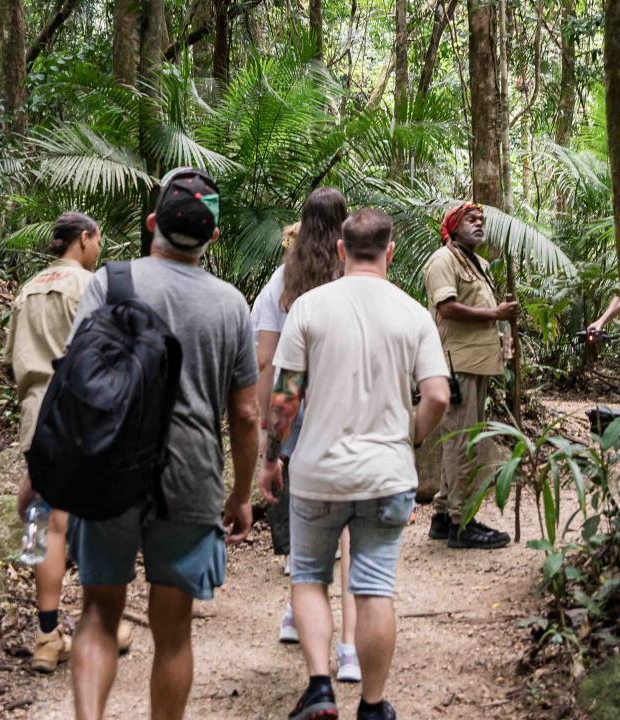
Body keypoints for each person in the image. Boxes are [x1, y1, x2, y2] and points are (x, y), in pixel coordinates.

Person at [65, 168, 260, 720]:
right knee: (173, 635)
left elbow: (75, 380)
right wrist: (241, 494)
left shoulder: (110, 281)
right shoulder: (230, 305)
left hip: (108, 473)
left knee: (100, 616)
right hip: (191, 478)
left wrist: (51, 466)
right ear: (212, 238)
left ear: (153, 223)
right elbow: (245, 414)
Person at [260, 208, 452, 720]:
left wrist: (271, 458)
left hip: (318, 472)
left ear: (342, 251)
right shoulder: (412, 313)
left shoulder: (308, 307)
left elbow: (284, 399)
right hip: (386, 475)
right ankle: (371, 704)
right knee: (372, 588)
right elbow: (436, 394)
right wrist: (407, 436)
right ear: (389, 252)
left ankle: (320, 688)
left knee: (308, 577)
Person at [5, 212, 135, 673]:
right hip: (79, 415)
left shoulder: (26, 290)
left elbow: (12, 362)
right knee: (90, 523)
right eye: (98, 240)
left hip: (34, 416)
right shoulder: (89, 285)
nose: (99, 249)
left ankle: (45, 634)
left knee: (43, 523)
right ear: (84, 239)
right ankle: (101, 625)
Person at [251, 190, 359, 683]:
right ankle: (349, 642)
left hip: (295, 409)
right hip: (345, 408)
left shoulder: (284, 280)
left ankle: (298, 614)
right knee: (350, 525)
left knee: (301, 512)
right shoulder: (355, 275)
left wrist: (262, 418)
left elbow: (265, 358)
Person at [422, 203, 518, 550]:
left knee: (462, 441)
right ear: (453, 225)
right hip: (456, 365)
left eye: (482, 220)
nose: (479, 224)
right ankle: (463, 523)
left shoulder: (477, 263)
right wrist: (496, 313)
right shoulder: (443, 260)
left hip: (477, 363)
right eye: (470, 219)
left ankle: (444, 516)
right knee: (462, 444)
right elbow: (446, 307)